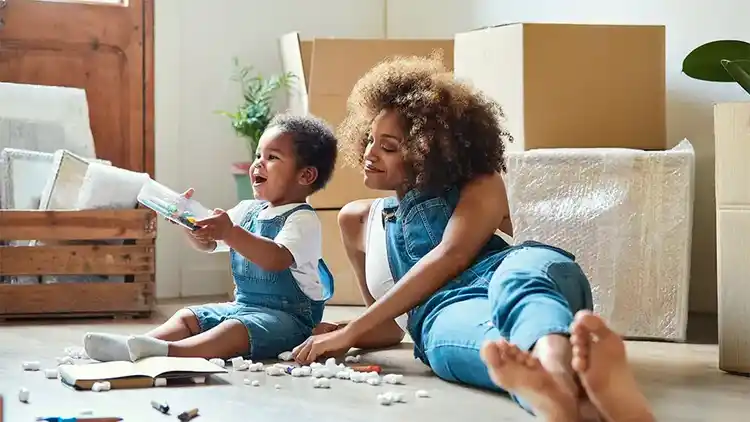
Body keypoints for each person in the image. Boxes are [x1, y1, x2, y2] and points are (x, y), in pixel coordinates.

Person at [290, 55, 655, 422]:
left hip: (509, 267)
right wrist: (331, 334)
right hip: (442, 312)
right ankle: (573, 396)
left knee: (523, 286)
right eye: (369, 139)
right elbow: (386, 326)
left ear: (427, 151)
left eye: (389, 147)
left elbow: (453, 255)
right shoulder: (356, 220)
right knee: (486, 346)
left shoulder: (479, 183)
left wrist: (352, 328)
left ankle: (556, 374)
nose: (369, 154)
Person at [83, 113, 338, 362]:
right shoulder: (247, 210)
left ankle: (168, 352)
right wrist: (190, 224)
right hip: (243, 306)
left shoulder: (302, 220)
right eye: (258, 155)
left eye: (272, 157)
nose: (257, 164)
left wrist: (230, 231)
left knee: (233, 330)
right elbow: (208, 244)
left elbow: (276, 259)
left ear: (305, 176)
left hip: (289, 319)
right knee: (189, 316)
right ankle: (138, 343)